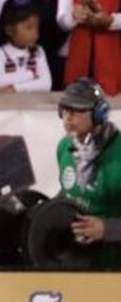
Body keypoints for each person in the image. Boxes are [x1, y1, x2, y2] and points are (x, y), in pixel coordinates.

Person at [56, 77, 121, 269]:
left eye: (77, 110)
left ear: (99, 114)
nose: (68, 117)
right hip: (77, 261)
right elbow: (68, 194)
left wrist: (107, 230)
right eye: (65, 110)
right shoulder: (65, 147)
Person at [0, 3, 52, 91]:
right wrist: (31, 75)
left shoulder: (38, 51)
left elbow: (46, 84)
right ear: (9, 30)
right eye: (29, 28)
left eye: (37, 28)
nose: (35, 34)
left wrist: (16, 88)